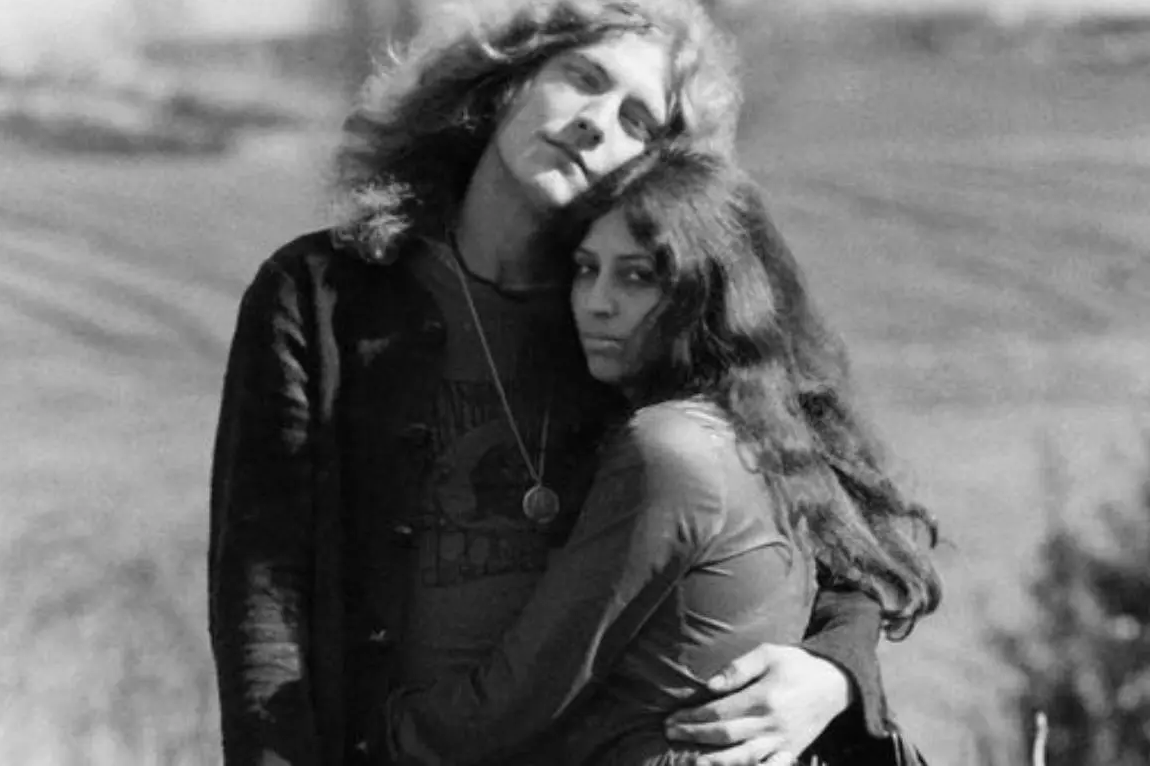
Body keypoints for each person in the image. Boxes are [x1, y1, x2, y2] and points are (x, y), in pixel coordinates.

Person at [208, 0, 905, 765]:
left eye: (637, 119)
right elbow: (264, 599)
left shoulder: (660, 316)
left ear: (658, 168)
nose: (594, 123)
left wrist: (834, 671)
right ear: (505, 80)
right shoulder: (321, 296)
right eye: (583, 77)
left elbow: (848, 530)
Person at [381, 147, 942, 765]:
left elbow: (523, 695)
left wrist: (368, 732)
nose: (596, 301)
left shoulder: (667, 448)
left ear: (707, 289)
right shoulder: (756, 429)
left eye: (637, 276)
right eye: (585, 268)